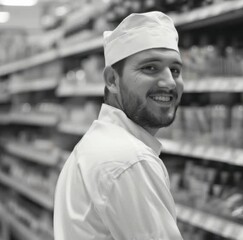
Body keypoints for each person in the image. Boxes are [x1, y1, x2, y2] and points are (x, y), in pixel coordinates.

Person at [54, 11, 184, 240]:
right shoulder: (129, 160)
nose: (169, 82)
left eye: (175, 70)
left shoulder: (101, 144)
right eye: (150, 68)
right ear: (112, 80)